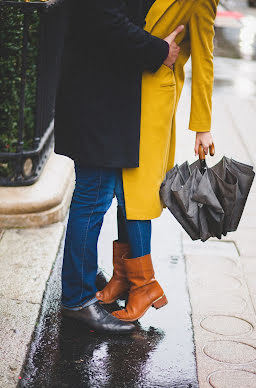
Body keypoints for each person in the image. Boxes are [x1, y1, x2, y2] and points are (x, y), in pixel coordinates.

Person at [54, 0, 184, 334]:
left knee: (97, 193)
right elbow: (106, 20)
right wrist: (158, 50)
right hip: (98, 100)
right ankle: (77, 298)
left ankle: (84, 277)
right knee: (93, 195)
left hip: (100, 96)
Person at [96, 0, 219, 322]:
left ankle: (144, 285)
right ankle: (123, 276)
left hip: (152, 97)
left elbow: (204, 57)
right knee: (123, 189)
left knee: (138, 193)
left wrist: (202, 126)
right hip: (120, 90)